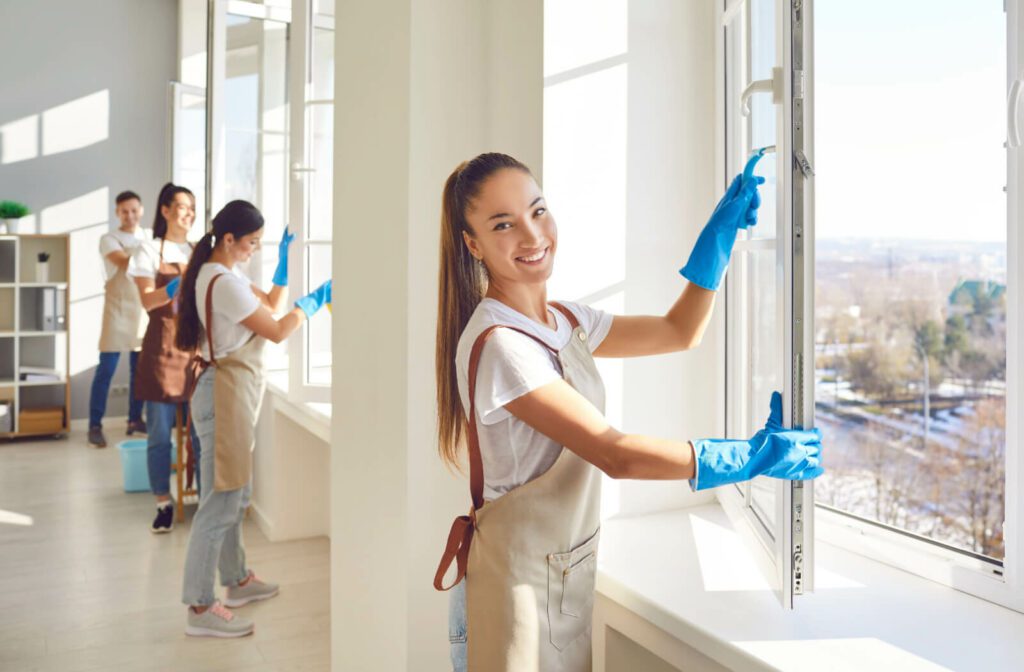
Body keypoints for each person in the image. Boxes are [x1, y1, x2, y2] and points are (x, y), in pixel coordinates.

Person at [432, 153, 824, 672]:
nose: (531, 235)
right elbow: (614, 454)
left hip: (557, 574)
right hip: (513, 593)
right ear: (472, 244)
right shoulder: (504, 344)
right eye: (503, 224)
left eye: (538, 210)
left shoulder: (566, 319)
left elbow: (678, 331)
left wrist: (718, 239)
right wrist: (749, 458)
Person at [175, 200, 331, 638]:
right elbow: (278, 329)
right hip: (223, 396)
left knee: (227, 494)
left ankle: (238, 579)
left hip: (221, 392)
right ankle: (200, 607)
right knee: (223, 501)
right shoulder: (221, 281)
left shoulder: (217, 273)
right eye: (252, 243)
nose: (254, 250)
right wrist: (314, 302)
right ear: (229, 239)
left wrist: (284, 268)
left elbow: (268, 304)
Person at [128, 183, 202, 533]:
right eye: (182, 207)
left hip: (194, 352)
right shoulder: (147, 249)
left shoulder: (200, 250)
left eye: (192, 208)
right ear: (165, 210)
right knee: (159, 435)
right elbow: (147, 300)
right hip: (160, 351)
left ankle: (204, 501)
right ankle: (162, 503)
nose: (188, 214)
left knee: (200, 432)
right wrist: (179, 282)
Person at [87, 190, 149, 447]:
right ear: (117, 213)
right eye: (125, 211)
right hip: (117, 310)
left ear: (141, 210)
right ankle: (94, 425)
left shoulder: (147, 237)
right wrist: (153, 253)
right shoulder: (109, 239)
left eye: (134, 210)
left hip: (142, 310)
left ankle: (134, 420)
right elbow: (124, 263)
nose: (130, 215)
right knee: (106, 370)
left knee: (140, 371)